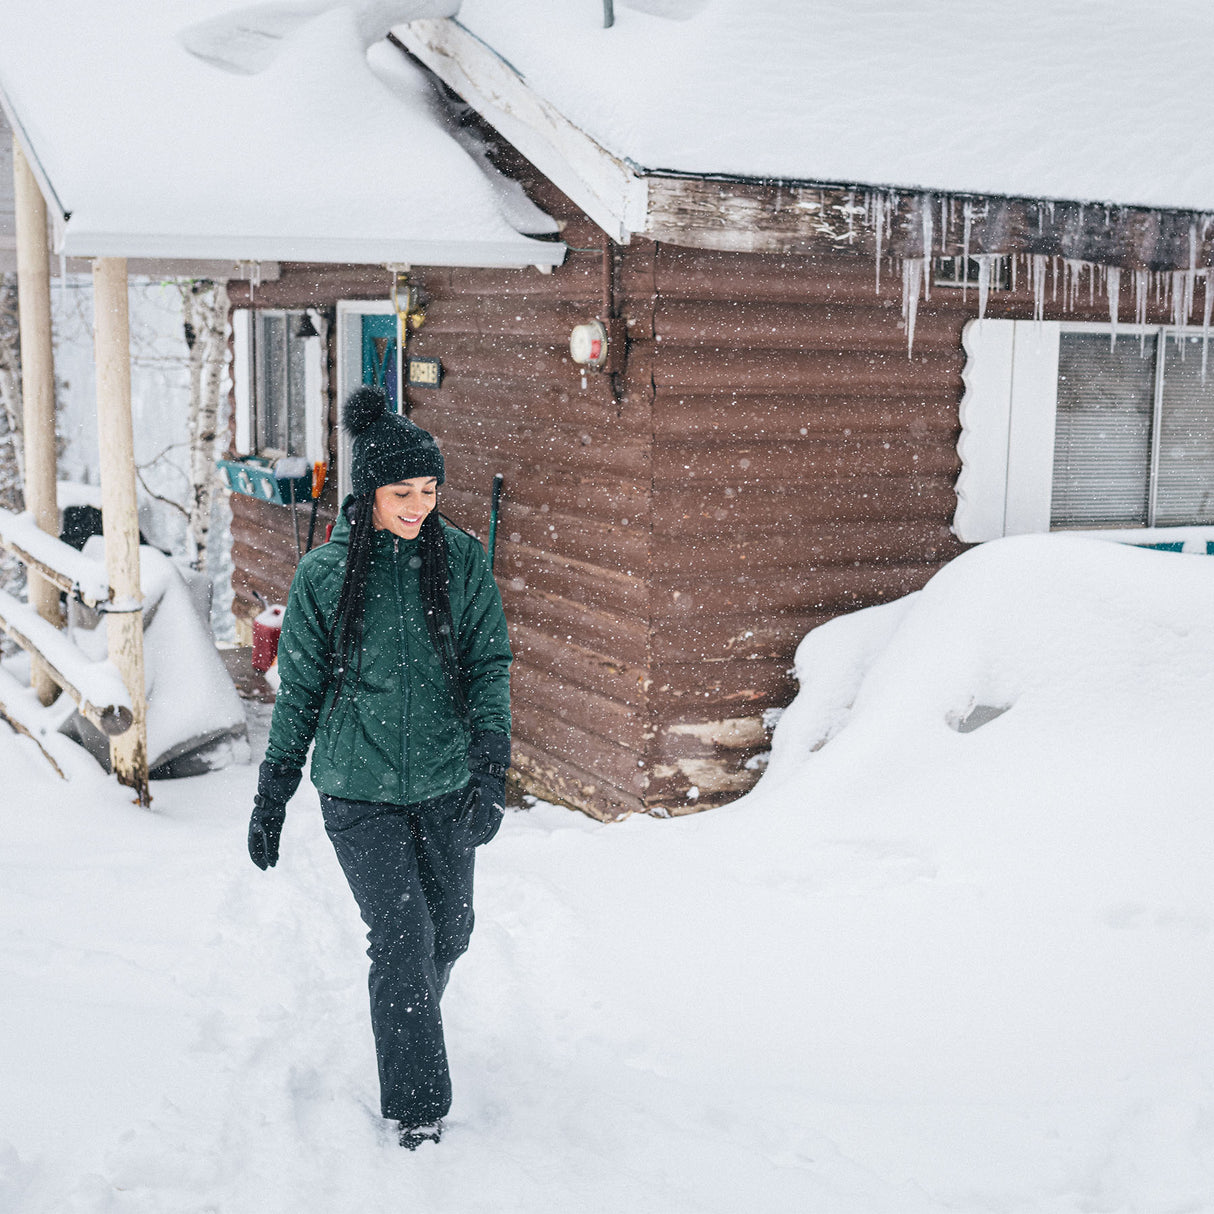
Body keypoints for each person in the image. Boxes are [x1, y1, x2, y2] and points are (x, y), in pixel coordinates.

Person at [246, 385, 512, 1150]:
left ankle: (408, 1018)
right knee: (401, 938)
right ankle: (419, 1108)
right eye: (404, 492)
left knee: (450, 932)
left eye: (430, 490)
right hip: (357, 790)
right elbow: (299, 694)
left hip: (444, 780)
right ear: (369, 494)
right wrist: (273, 793)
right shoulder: (326, 579)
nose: (420, 505)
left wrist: (489, 768)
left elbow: (489, 663)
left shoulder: (459, 561)